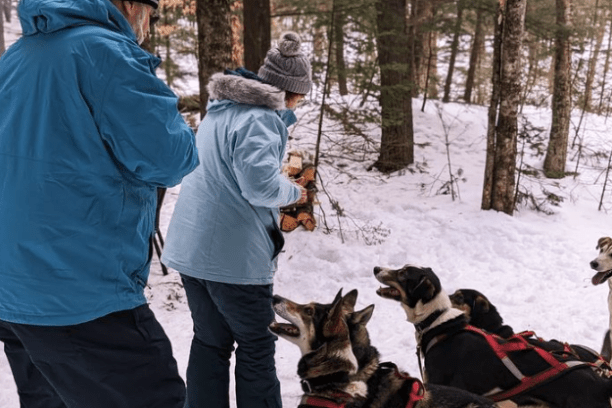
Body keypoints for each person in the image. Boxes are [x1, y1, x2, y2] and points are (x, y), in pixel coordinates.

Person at [0, 0, 199, 407]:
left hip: (14, 290)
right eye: (148, 11)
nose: (146, 24)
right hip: (79, 288)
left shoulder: (18, 55)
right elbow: (170, 158)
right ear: (128, 4)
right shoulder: (105, 51)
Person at [161, 32, 312, 408]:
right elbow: (260, 187)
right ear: (289, 91)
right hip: (231, 259)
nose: (300, 103)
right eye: (300, 95)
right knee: (257, 343)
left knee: (210, 342)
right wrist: (294, 192)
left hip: (193, 249)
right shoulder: (261, 119)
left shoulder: (223, 109)